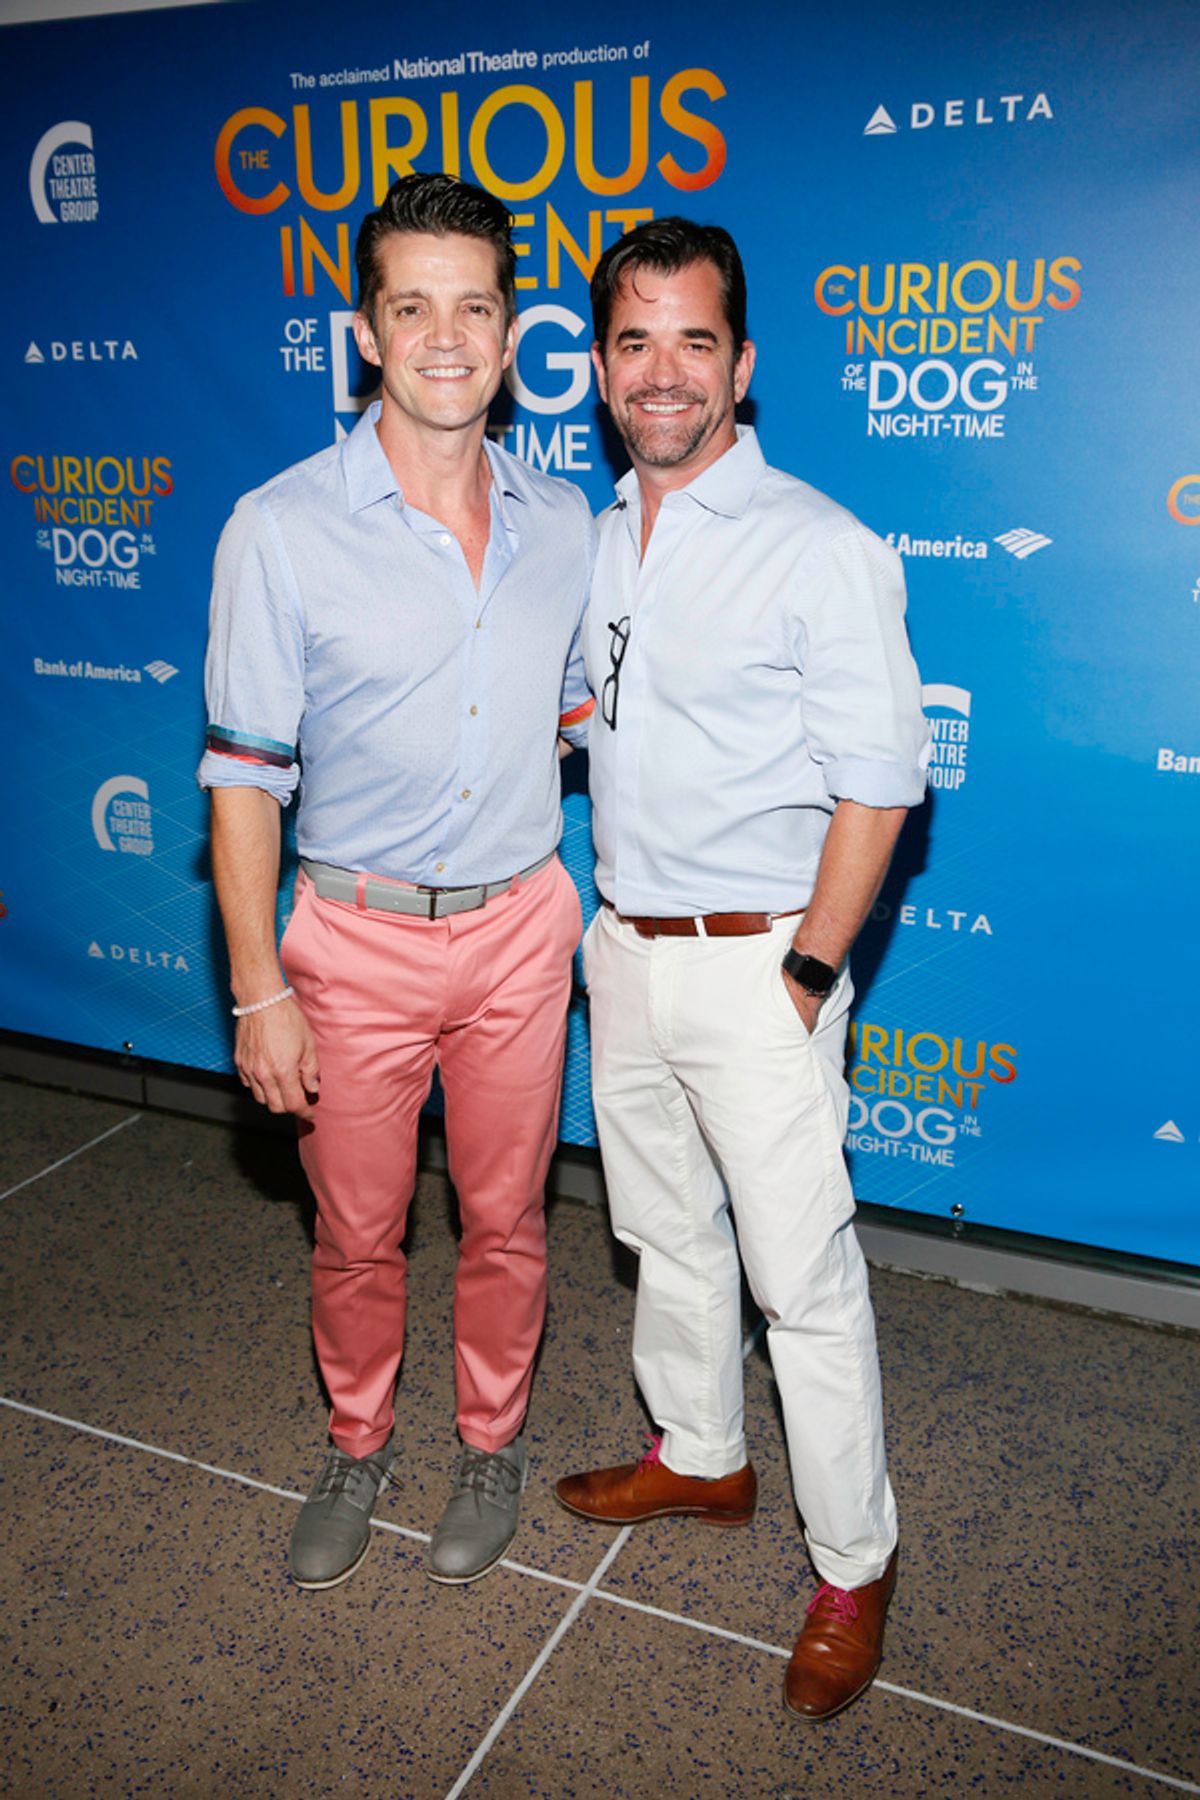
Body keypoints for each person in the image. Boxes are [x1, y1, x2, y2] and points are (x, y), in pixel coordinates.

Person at [555, 217, 929, 1720]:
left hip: (757, 964)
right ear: (597, 367)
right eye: (634, 341)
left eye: (693, 341)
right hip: (626, 951)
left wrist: (805, 974)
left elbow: (885, 781)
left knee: (806, 1283)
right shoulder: (601, 532)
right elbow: (601, 713)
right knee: (663, 1232)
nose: (663, 373)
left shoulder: (820, 546)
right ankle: (701, 1454)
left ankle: (855, 1562)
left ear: (743, 364)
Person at [199, 172, 594, 1591]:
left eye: (473, 306)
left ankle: (488, 1444)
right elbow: (243, 775)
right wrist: (260, 990)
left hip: (520, 928)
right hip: (351, 945)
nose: (445, 336)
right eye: (410, 306)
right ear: (365, 331)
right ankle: (358, 1447)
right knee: (358, 1233)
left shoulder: (567, 526)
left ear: (509, 332)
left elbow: (583, 726)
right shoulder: (281, 528)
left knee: (507, 1219)